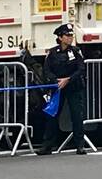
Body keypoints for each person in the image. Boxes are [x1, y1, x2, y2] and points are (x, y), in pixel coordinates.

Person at [35, 24, 88, 156]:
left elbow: (81, 69)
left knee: (76, 115)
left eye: (71, 35)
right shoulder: (52, 53)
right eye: (67, 35)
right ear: (60, 37)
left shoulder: (76, 51)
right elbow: (47, 70)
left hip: (73, 86)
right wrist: (56, 81)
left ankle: (80, 145)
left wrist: (68, 79)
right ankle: (47, 145)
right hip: (58, 87)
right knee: (52, 115)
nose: (70, 38)